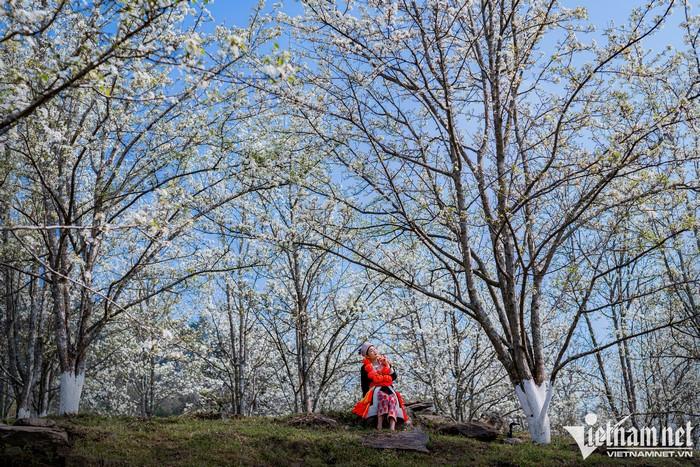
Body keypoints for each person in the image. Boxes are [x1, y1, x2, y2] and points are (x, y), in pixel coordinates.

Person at [352, 342, 408, 430]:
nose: (374, 351)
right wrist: (365, 398)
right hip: (375, 389)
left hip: (388, 387)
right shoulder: (365, 367)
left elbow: (394, 377)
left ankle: (392, 426)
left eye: (374, 349)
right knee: (384, 397)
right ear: (367, 356)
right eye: (371, 351)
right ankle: (380, 424)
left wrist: (388, 366)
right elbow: (364, 384)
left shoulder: (384, 362)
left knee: (392, 399)